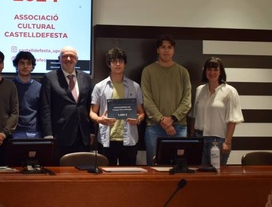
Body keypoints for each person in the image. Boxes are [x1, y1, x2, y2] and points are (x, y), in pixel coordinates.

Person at [141, 34, 192, 165]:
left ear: (173, 50)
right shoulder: (148, 71)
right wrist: (162, 120)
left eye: (169, 47)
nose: (166, 50)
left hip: (179, 127)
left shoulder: (183, 72)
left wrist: (172, 118)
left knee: (179, 167)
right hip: (154, 127)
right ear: (157, 50)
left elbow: (187, 100)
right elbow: (146, 100)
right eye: (163, 47)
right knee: (154, 168)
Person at [90, 48, 146, 166]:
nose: (118, 64)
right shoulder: (100, 86)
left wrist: (138, 119)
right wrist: (100, 119)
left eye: (121, 61)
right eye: (114, 61)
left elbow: (141, 112)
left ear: (125, 64)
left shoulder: (134, 86)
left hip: (129, 139)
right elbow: (92, 112)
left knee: (128, 178)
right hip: (107, 140)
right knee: (106, 178)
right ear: (109, 64)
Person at [40, 46, 92, 164]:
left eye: (72, 56)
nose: (68, 59)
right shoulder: (49, 77)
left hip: (82, 135)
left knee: (82, 173)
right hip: (60, 136)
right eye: (65, 56)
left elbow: (89, 105)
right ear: (59, 59)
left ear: (76, 59)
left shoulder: (85, 77)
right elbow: (45, 108)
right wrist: (48, 135)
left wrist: (91, 131)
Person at [189, 57, 244, 166]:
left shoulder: (230, 92)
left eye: (215, 70)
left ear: (221, 72)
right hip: (199, 138)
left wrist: (227, 142)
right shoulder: (199, 90)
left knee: (216, 176)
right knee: (199, 176)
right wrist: (192, 138)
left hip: (218, 141)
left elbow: (232, 120)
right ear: (205, 71)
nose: (212, 73)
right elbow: (194, 116)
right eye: (209, 69)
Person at [11, 51, 42, 139]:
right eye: (22, 63)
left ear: (32, 67)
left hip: (36, 131)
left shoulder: (39, 87)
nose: (25, 66)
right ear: (16, 65)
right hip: (15, 132)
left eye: (28, 63)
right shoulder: (10, 86)